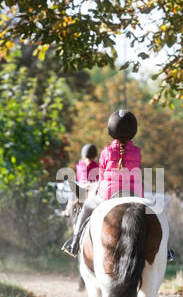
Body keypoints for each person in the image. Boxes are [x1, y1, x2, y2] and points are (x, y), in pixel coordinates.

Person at [62, 110, 175, 263]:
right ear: (133, 132)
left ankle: (74, 245)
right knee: (156, 213)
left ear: (111, 131)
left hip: (109, 195)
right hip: (135, 195)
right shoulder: (137, 152)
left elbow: (102, 176)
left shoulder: (106, 152)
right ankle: (165, 250)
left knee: (87, 207)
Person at [61, 144, 99, 218]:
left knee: (72, 193)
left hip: (82, 186)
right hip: (92, 186)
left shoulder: (80, 165)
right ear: (94, 155)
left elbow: (79, 178)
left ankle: (67, 210)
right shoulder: (96, 165)